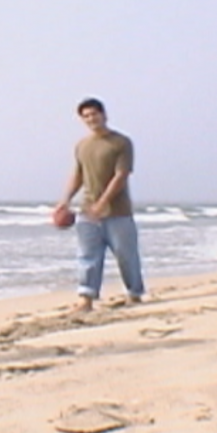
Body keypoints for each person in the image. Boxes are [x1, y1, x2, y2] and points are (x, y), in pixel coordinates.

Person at [53, 97, 145, 312]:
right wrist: (64, 201)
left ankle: (134, 293)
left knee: (126, 255)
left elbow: (121, 175)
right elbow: (78, 174)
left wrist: (103, 203)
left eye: (94, 114)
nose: (91, 119)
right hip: (87, 212)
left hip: (118, 212)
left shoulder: (121, 142)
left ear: (104, 115)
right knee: (87, 255)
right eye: (86, 116)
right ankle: (86, 297)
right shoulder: (82, 146)